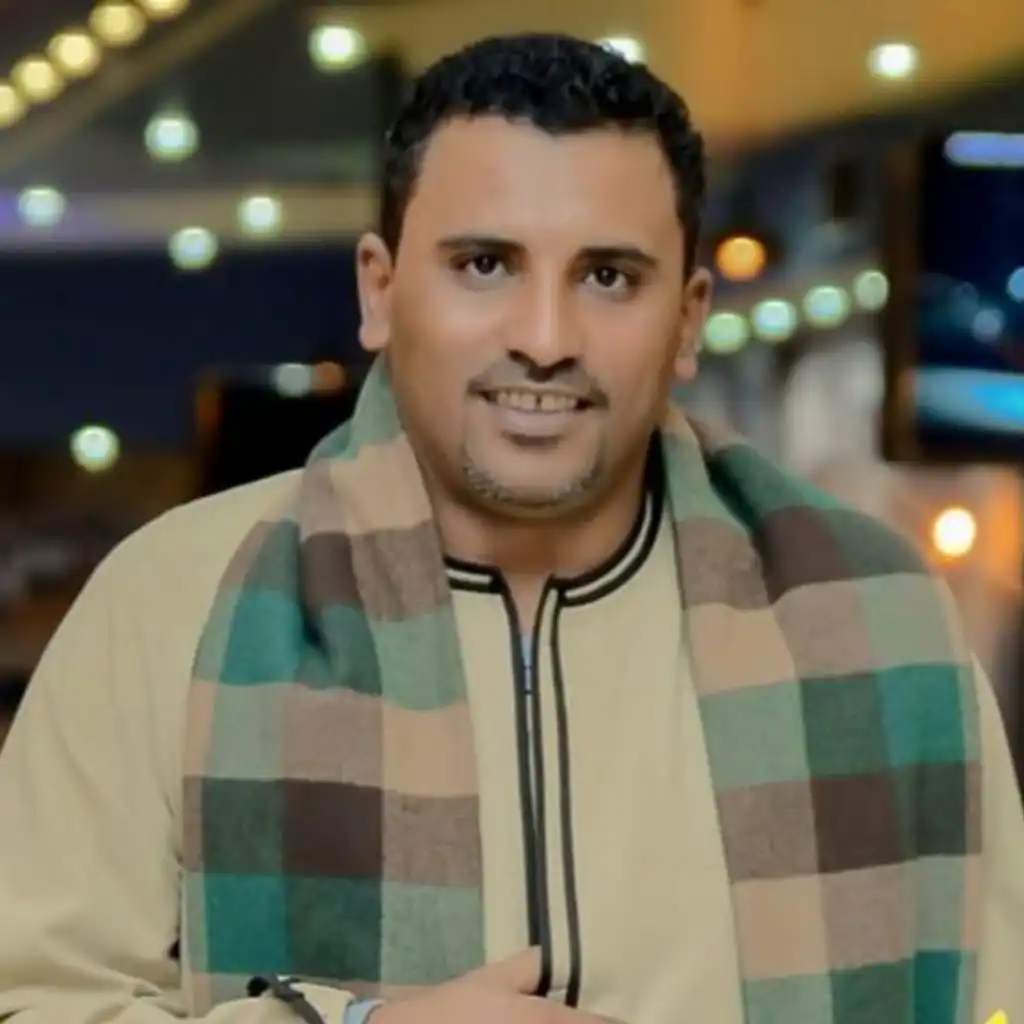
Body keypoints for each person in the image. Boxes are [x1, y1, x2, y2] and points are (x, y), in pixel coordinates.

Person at [0, 31, 1022, 1024]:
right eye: (485, 265)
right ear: (379, 291)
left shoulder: (873, 615)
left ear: (687, 318)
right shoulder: (171, 603)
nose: (544, 337)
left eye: (608, 276)